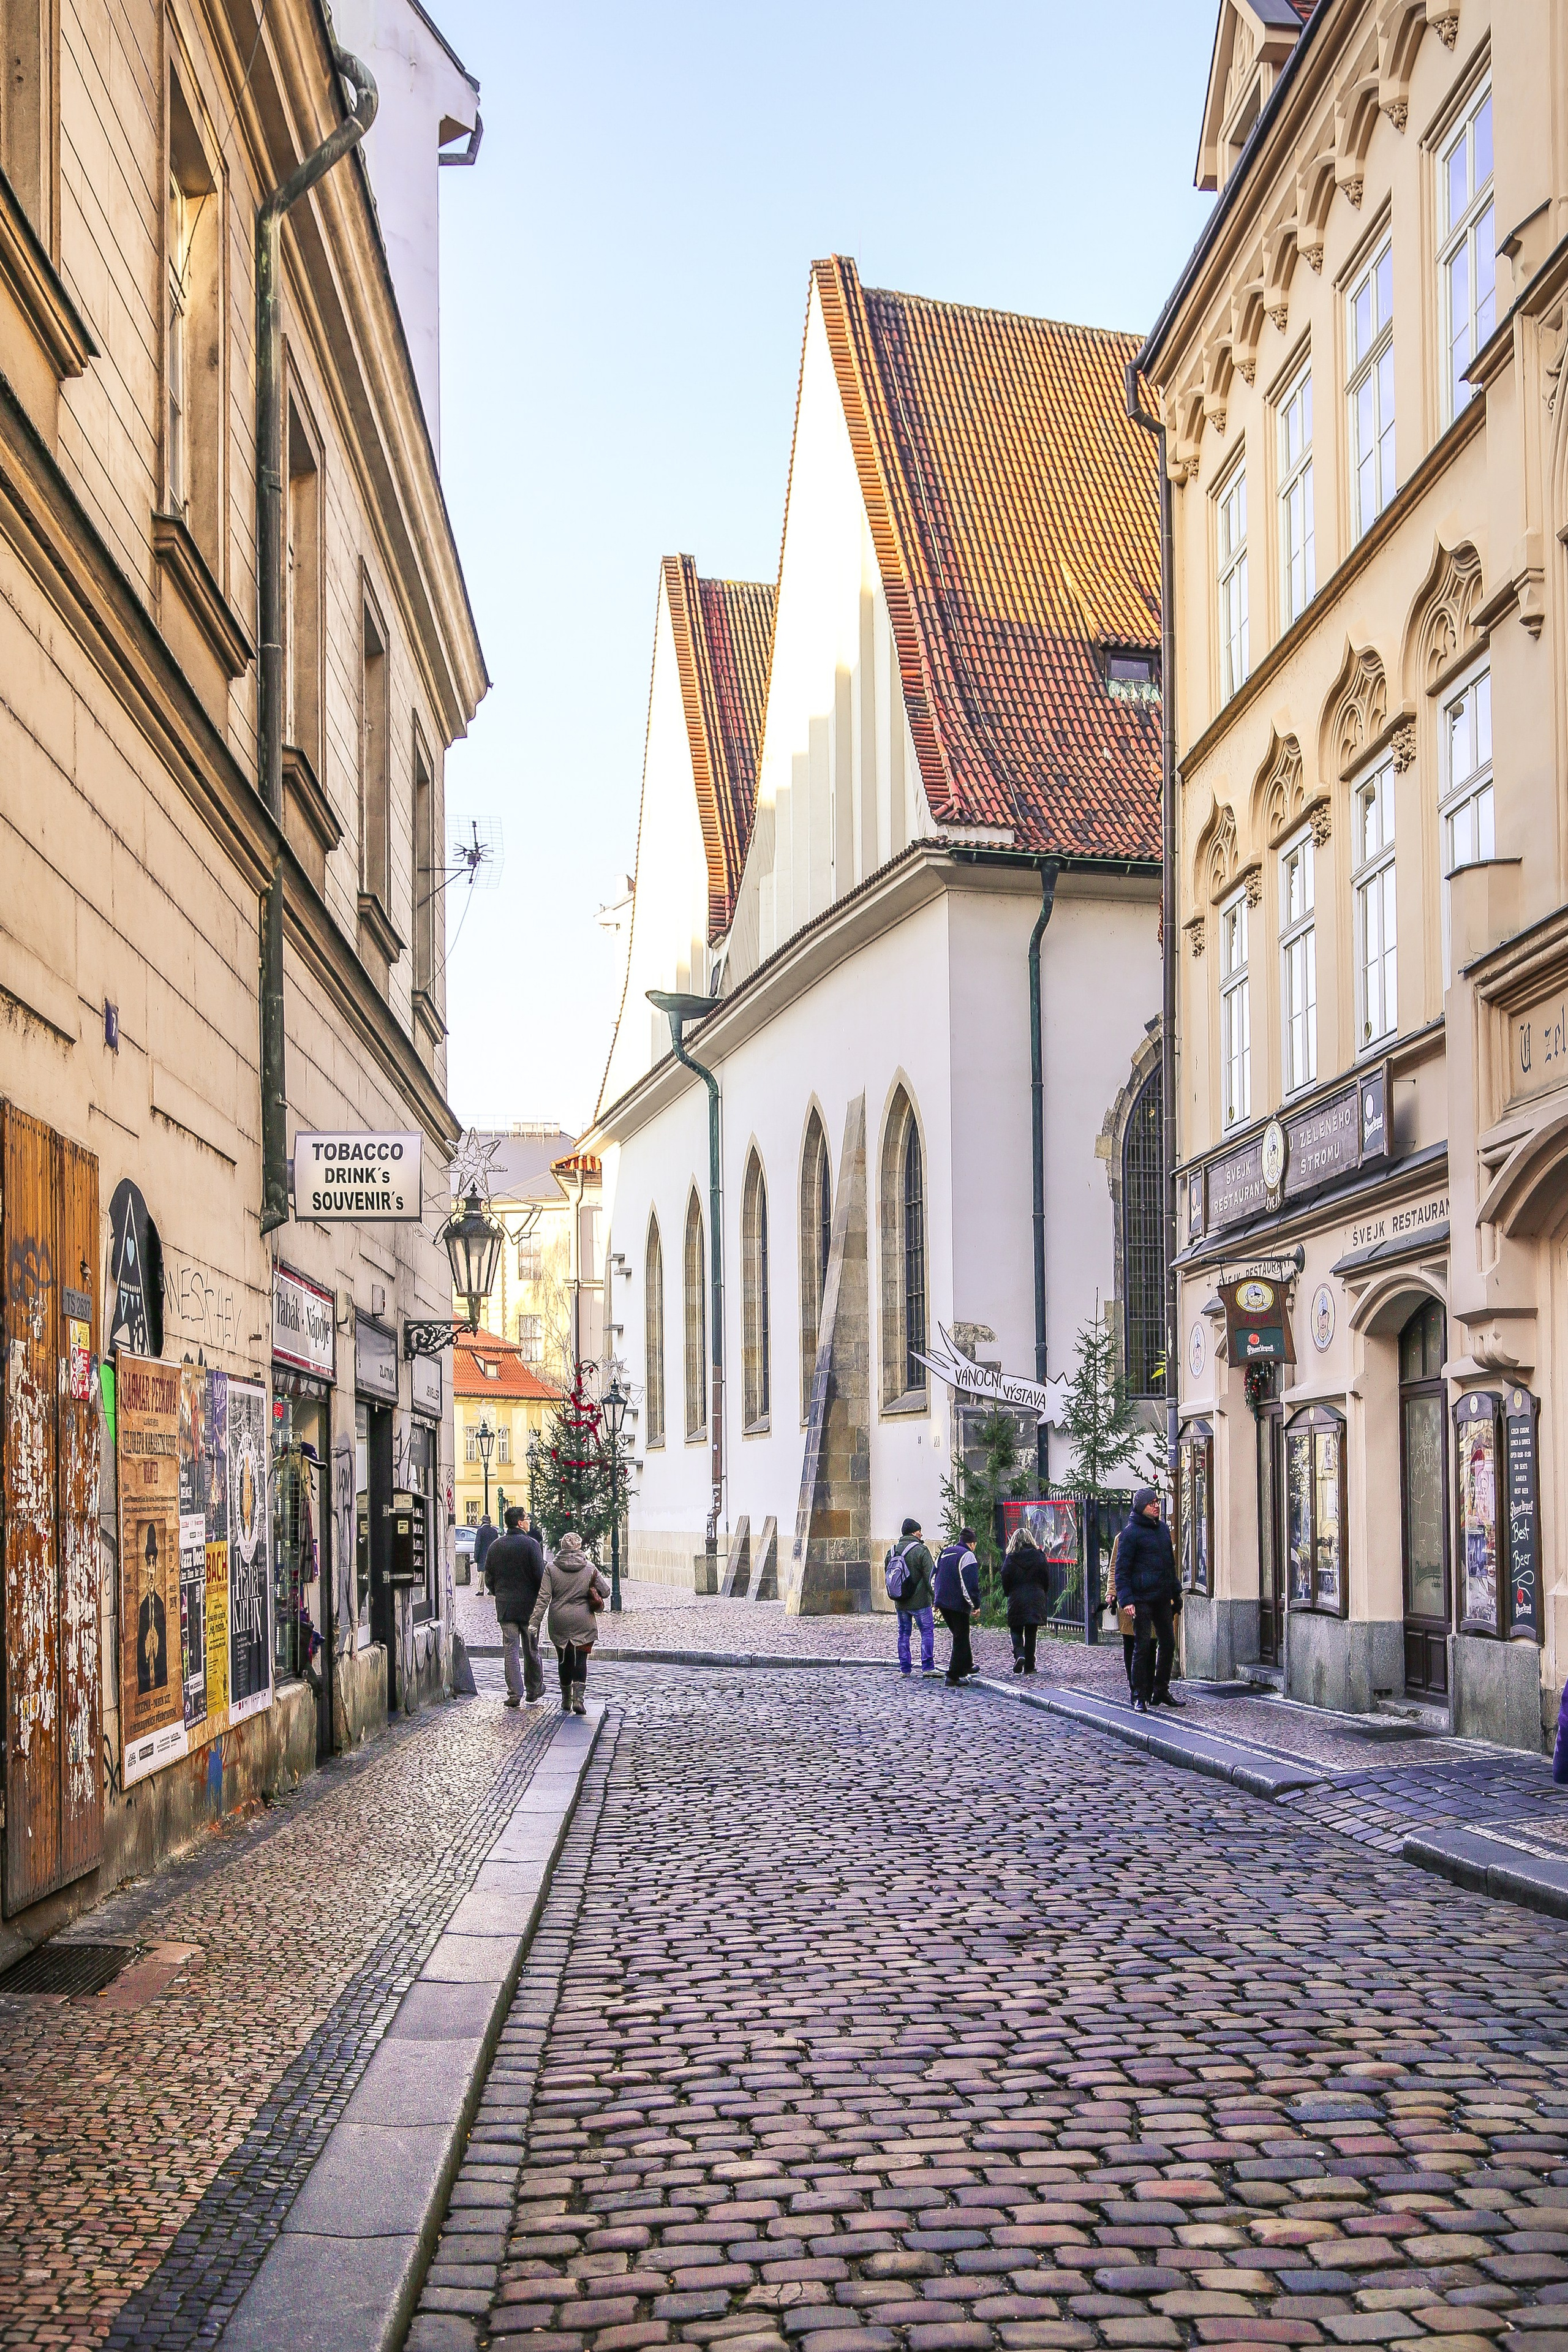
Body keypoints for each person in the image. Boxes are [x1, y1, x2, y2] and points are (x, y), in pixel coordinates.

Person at [528, 1525, 611, 1714]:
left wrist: (535, 1622)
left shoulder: (551, 1568)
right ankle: (579, 1700)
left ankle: (566, 1699)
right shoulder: (590, 1569)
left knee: (563, 1659)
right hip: (584, 1619)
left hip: (560, 1619)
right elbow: (605, 1592)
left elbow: (544, 1597)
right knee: (581, 1659)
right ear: (579, 1547)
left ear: (562, 1547)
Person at [1117, 1486, 1182, 1714]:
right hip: (1141, 1598)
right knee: (1142, 1647)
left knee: (1168, 1643)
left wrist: (1176, 1593)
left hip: (1162, 1597)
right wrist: (1127, 1599)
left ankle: (1161, 1689)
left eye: (1157, 1502)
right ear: (1141, 1507)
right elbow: (1121, 1570)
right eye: (1152, 1503)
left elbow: (1169, 1565)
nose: (1156, 1506)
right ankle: (1139, 1695)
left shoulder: (1163, 1530)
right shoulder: (1131, 1533)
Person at [486, 1506, 545, 1707]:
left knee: (510, 1650)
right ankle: (533, 1689)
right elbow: (540, 1576)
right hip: (529, 1608)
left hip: (506, 1607)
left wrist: (499, 1594)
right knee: (531, 1650)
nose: (529, 1521)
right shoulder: (532, 1545)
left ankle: (514, 1693)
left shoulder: (496, 1546)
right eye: (527, 1519)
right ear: (520, 1523)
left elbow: (489, 1579)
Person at [933, 1526, 982, 1686]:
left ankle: (967, 1665)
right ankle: (953, 1675)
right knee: (960, 1637)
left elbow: (933, 1577)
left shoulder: (944, 1553)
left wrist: (936, 1598)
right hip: (958, 1603)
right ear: (972, 1544)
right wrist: (975, 1605)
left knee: (961, 1633)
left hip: (943, 1601)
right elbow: (969, 1584)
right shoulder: (967, 1555)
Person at [889, 1517, 937, 1677]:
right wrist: (936, 1598)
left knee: (903, 1634)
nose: (921, 1534)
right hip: (921, 1602)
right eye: (919, 1531)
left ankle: (905, 1669)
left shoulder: (892, 1551)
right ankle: (928, 1667)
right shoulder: (921, 1551)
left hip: (901, 1602)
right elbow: (931, 1577)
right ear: (914, 1533)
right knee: (927, 1632)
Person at [1001, 1524, 1049, 1675]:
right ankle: (1030, 1666)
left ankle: (1019, 1654)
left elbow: (1005, 1578)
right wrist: (1042, 1591)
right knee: (1031, 1632)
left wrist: (1008, 1593)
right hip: (1035, 1596)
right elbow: (1047, 1577)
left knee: (1015, 1629)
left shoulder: (1011, 1558)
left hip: (1016, 1598)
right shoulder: (1039, 1556)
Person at [473, 1512, 497, 1579]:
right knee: (491, 1574)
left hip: (482, 1557)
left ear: (483, 1522)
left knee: (481, 1574)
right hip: (492, 1556)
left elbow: (478, 1545)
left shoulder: (480, 1531)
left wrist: (476, 1558)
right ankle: (490, 1589)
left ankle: (481, 1589)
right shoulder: (494, 1531)